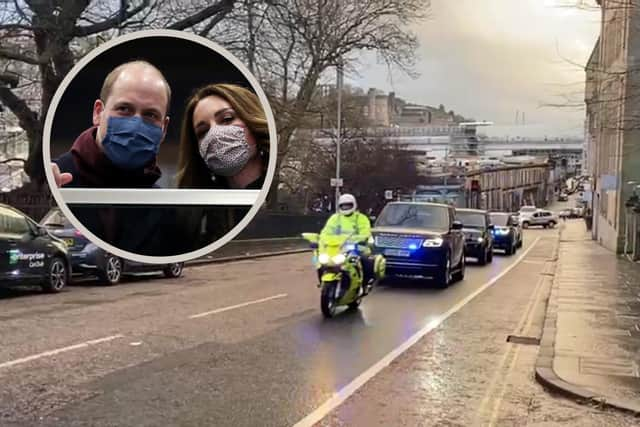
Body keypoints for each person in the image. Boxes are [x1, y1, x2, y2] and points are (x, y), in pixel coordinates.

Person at [51, 60, 178, 256]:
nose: (135, 124)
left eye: (150, 114)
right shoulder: (55, 179)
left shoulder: (163, 208)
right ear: (98, 112)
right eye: (124, 109)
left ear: (164, 129)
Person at [173, 83, 269, 252]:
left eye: (226, 119)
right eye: (203, 131)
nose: (214, 134)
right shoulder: (191, 215)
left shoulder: (272, 193)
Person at [319, 193, 376, 294]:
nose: (345, 208)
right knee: (319, 261)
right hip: (337, 247)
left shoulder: (361, 218)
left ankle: (365, 284)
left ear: (353, 205)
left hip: (357, 246)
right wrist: (321, 240)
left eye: (348, 205)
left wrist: (360, 239)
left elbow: (365, 232)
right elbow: (326, 232)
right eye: (343, 206)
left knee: (365, 260)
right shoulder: (335, 218)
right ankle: (323, 282)